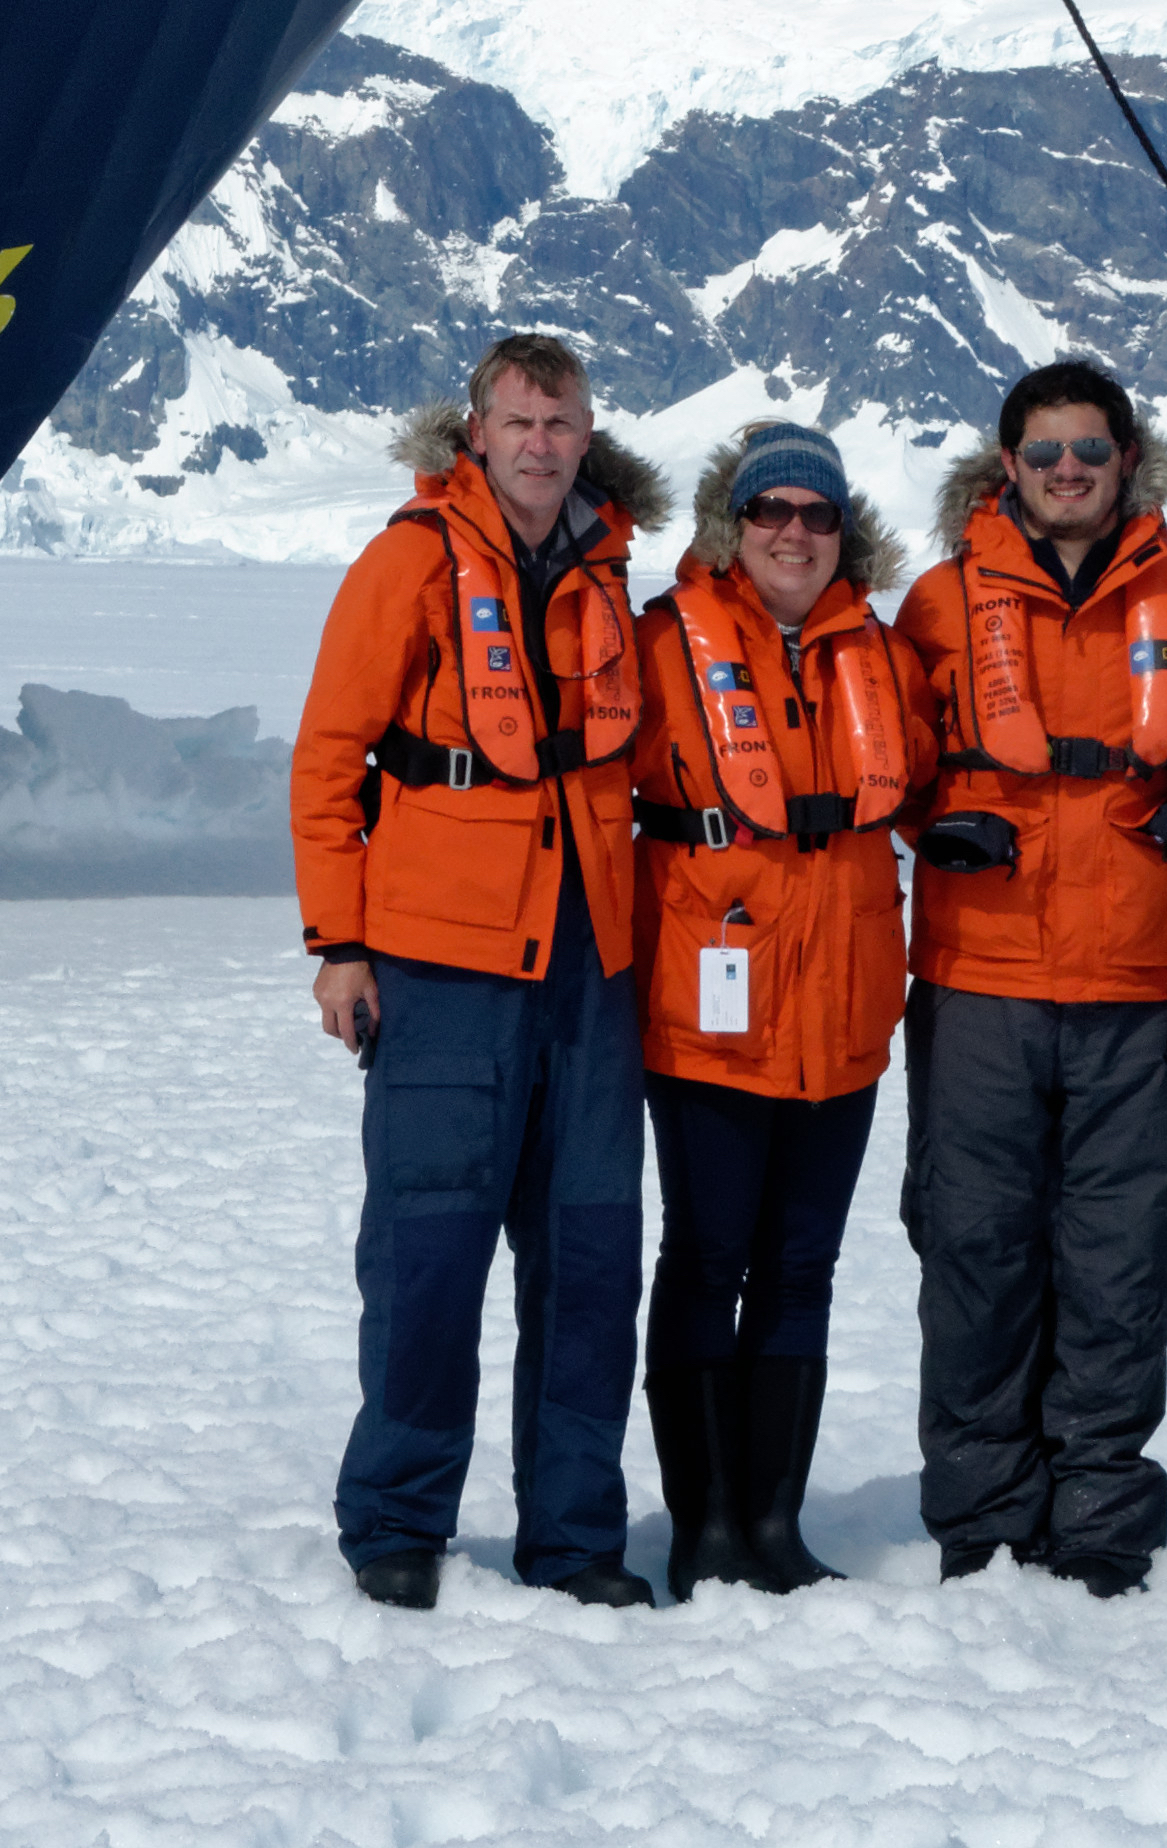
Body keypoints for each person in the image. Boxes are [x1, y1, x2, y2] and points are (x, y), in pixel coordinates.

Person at [291, 332, 668, 1611]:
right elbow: (329, 758)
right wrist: (338, 942)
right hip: (442, 959)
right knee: (428, 1248)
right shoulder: (409, 562)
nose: (541, 443)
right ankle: (398, 1519)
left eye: (562, 421)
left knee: (590, 1260)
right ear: (477, 429)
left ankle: (576, 1536)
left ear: (587, 431)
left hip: (590, 962)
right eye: (518, 420)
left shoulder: (611, 570)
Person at [892, 357, 1167, 1594]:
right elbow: (891, 759)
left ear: (1126, 460)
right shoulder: (939, 603)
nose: (1068, 470)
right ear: (1007, 465)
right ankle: (981, 1513)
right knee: (975, 1248)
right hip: (983, 976)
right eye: (1045, 452)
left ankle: (1098, 1517)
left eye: (1090, 448)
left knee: (1122, 1256)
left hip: (1139, 979)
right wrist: (940, 821)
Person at [630, 416, 911, 1600]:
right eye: (771, 510)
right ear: (731, 524)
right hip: (713, 1000)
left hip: (843, 1006)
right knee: (705, 1255)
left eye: (817, 512)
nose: (794, 532)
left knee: (802, 1263)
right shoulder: (660, 642)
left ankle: (774, 1521)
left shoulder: (878, 652)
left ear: (846, 532)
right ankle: (702, 1526)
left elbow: (944, 773)